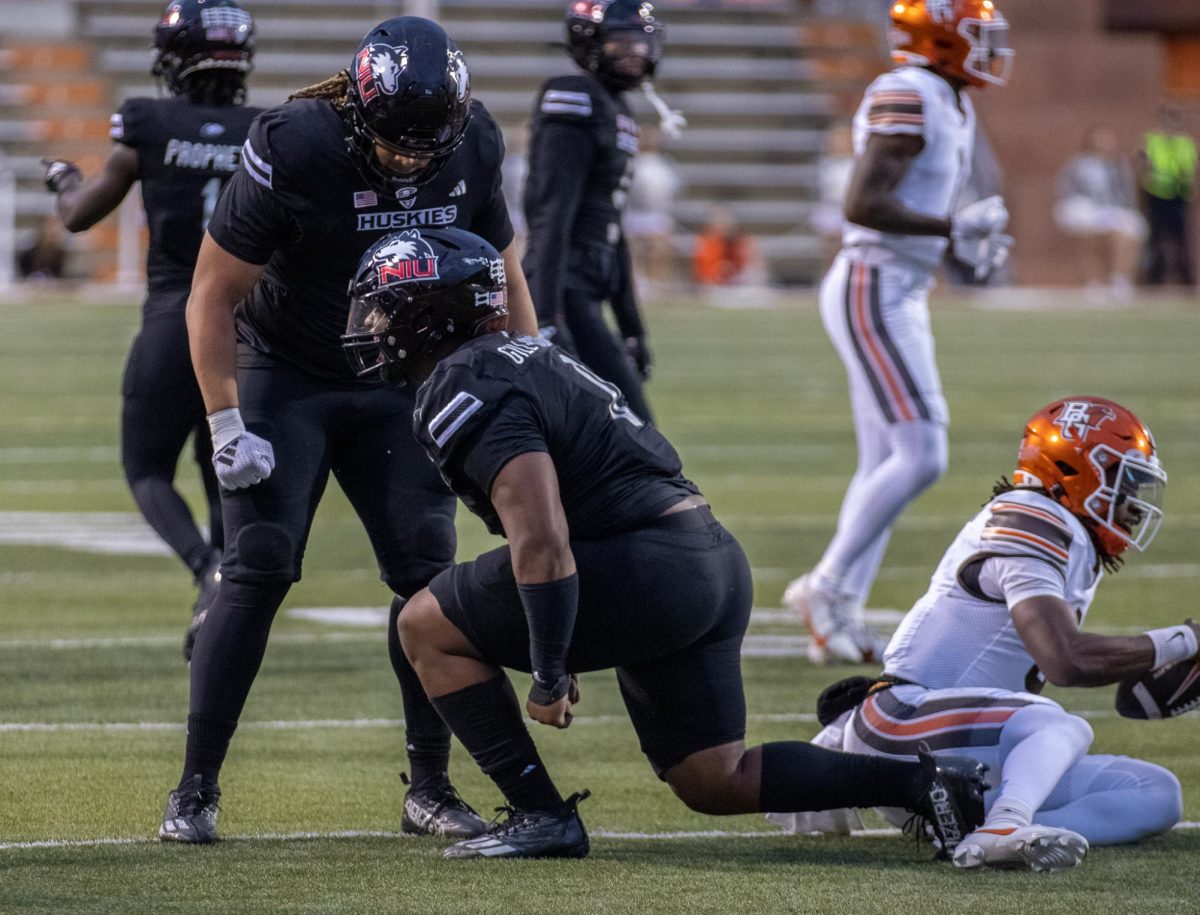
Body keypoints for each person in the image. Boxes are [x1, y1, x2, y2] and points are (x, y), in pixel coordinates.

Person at [342, 225, 993, 862]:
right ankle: (923, 784)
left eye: (385, 310)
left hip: (644, 566)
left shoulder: (465, 382)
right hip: (705, 558)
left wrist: (548, 670)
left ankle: (541, 812)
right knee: (714, 777)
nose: (372, 326)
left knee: (425, 623)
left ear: (433, 315)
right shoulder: (523, 354)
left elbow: (541, 541)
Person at [157, 16, 538, 845]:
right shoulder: (296, 143)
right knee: (255, 567)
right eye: (393, 143)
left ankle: (429, 788)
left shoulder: (472, 141)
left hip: (399, 378)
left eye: (423, 146)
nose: (409, 159)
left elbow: (505, 268)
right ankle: (195, 786)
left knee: (426, 577)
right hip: (285, 368)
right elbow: (211, 294)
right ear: (357, 113)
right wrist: (225, 420)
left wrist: (526, 370)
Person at [776, 397, 1187, 873]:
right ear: (1072, 470)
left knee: (1155, 793)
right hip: (903, 722)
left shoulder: (1068, 536)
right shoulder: (1034, 516)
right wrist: (1185, 641)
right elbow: (1067, 660)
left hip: (959, 752)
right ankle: (1005, 826)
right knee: (1058, 723)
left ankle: (974, 827)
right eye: (1124, 482)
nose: (1133, 504)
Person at [783, 0, 1015, 665]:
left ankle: (838, 609)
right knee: (923, 453)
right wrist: (953, 228)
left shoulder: (948, 99)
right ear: (939, 37)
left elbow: (916, 203)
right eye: (978, 36)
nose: (991, 49)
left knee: (888, 458)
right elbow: (861, 203)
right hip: (873, 283)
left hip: (897, 286)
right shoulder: (909, 90)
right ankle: (824, 586)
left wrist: (963, 245)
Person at [41, 0, 261, 660]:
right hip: (250, 327)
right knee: (223, 463)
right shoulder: (266, 129)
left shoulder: (149, 122)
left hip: (176, 316)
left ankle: (205, 568)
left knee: (145, 466)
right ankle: (222, 581)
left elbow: (79, 216)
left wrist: (65, 179)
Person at [523, 0, 677, 424]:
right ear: (589, 42)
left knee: (620, 432)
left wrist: (632, 325)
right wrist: (546, 315)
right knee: (635, 430)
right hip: (565, 285)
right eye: (620, 41)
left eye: (640, 41)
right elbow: (551, 215)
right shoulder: (574, 98)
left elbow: (613, 225)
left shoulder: (616, 107)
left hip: (589, 282)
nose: (636, 51)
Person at [1054, 126, 1146, 299]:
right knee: (1090, 235)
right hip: (1087, 210)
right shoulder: (1077, 165)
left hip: (1112, 210)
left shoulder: (1118, 165)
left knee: (1126, 234)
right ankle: (1093, 281)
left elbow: (1126, 194)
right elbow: (1066, 192)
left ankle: (1119, 279)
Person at [1140, 104, 1196, 287]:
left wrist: (1193, 185)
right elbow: (1142, 163)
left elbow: (1192, 167)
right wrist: (1145, 180)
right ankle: (1154, 277)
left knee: (1181, 238)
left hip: (1179, 195)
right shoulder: (1152, 140)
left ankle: (1185, 278)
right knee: (1156, 237)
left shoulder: (1186, 143)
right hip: (1157, 194)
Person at [624, 124, 682, 294]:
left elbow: (673, 189)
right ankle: (636, 282)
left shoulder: (665, 163)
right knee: (631, 249)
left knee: (661, 247)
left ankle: (658, 283)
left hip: (656, 212)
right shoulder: (632, 161)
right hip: (633, 211)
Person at [691, 204, 768, 288]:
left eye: (725, 220)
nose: (723, 223)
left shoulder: (740, 241)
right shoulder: (705, 242)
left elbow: (753, 268)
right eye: (719, 220)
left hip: (738, 284)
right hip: (715, 286)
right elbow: (703, 275)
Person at [17, 215, 69, 281]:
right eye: (50, 227)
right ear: (41, 230)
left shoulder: (63, 257)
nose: (53, 231)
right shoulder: (27, 256)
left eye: (56, 227)